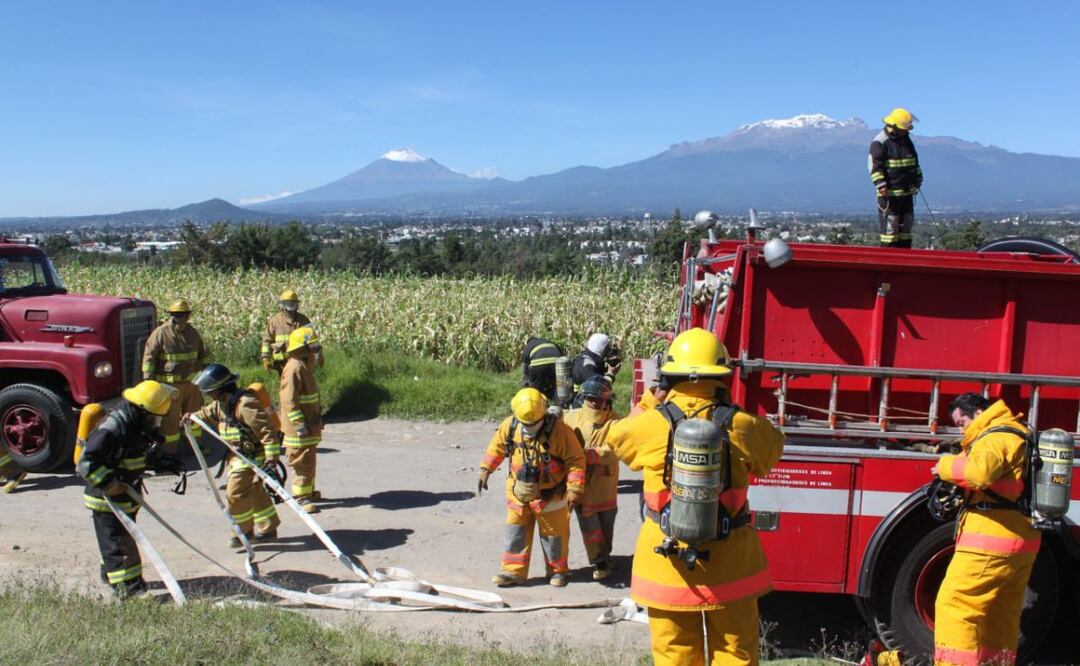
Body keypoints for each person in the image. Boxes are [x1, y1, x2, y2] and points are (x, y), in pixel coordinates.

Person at [604, 328, 785, 665]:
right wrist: (736, 413)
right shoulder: (743, 425)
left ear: (669, 376)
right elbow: (774, 447)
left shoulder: (650, 425)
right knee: (735, 655)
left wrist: (649, 401)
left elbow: (615, 439)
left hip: (666, 565)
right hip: (731, 567)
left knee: (675, 657)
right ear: (723, 376)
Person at [932, 393, 1040, 666]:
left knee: (955, 605)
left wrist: (944, 465)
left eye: (963, 421)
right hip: (1020, 541)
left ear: (980, 412)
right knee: (1000, 614)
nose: (961, 429)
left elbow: (979, 473)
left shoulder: (995, 436)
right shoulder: (1019, 432)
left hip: (990, 541)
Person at [477, 387, 586, 587]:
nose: (529, 427)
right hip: (518, 491)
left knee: (554, 536)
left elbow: (576, 460)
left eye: (533, 423)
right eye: (525, 423)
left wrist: (574, 488)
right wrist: (486, 469)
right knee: (515, 531)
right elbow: (497, 447)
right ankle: (512, 572)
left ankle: (557, 571)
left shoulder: (560, 432)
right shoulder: (510, 426)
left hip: (550, 494)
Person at [76, 380, 174, 598]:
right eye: (153, 417)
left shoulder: (133, 425)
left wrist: (159, 463)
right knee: (119, 545)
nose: (155, 422)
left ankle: (109, 575)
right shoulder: (111, 430)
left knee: (115, 540)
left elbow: (131, 456)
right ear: (140, 411)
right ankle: (130, 590)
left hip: (125, 495)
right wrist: (110, 485)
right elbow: (85, 464)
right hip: (106, 498)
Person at [188, 363, 281, 547]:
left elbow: (267, 432)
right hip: (237, 456)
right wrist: (191, 418)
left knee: (235, 494)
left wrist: (271, 459)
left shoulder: (246, 404)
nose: (208, 395)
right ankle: (269, 527)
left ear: (221, 389)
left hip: (253, 457)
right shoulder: (220, 404)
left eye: (210, 392)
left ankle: (242, 532)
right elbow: (206, 413)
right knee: (254, 491)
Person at [563, 376, 620, 580]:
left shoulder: (616, 422)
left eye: (599, 399)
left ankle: (606, 555)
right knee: (590, 526)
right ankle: (600, 561)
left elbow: (616, 450)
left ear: (608, 400)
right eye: (590, 399)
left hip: (605, 485)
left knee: (606, 526)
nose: (594, 403)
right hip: (583, 485)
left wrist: (590, 455)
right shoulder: (572, 417)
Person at [141, 299, 210, 454]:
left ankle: (195, 447)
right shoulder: (161, 333)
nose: (177, 318)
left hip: (192, 385)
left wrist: (206, 375)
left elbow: (202, 355)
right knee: (170, 421)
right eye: (174, 315)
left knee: (195, 417)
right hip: (170, 387)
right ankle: (168, 451)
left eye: (181, 315)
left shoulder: (193, 333)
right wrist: (148, 379)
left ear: (187, 316)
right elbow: (149, 357)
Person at [279, 326, 323, 513]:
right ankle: (301, 498)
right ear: (301, 348)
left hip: (309, 424)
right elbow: (289, 400)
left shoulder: (303, 365)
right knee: (301, 461)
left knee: (309, 458)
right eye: (311, 346)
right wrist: (299, 425)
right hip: (300, 428)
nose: (315, 350)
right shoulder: (295, 368)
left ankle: (308, 491)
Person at [868, 107, 923, 248]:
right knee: (890, 231)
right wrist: (881, 185)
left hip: (906, 193)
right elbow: (875, 167)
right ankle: (888, 259)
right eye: (904, 129)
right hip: (890, 196)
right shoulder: (880, 142)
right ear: (894, 126)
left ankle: (905, 258)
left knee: (906, 229)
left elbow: (913, 161)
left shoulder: (905, 140)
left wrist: (917, 178)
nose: (907, 131)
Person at [261, 289, 313, 375]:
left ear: (297, 304)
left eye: (293, 303)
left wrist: (318, 353)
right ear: (282, 305)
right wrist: (266, 358)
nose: (291, 306)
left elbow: (311, 340)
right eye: (289, 303)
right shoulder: (274, 322)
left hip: (302, 363)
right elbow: (267, 341)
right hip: (282, 364)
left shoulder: (304, 320)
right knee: (287, 386)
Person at [571, 333, 621, 406]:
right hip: (581, 405)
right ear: (601, 348)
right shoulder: (587, 365)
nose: (609, 350)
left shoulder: (587, 359)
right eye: (607, 348)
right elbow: (599, 388)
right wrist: (610, 374)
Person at [519, 336, 565, 403]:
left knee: (536, 388)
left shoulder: (529, 345)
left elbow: (524, 364)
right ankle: (561, 404)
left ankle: (537, 404)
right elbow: (562, 355)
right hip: (556, 362)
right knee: (557, 386)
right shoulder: (548, 341)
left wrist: (526, 378)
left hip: (539, 364)